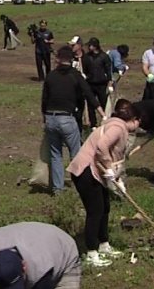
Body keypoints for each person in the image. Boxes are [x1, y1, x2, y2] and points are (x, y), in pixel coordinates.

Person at [68, 100, 140, 267]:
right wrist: (108, 169)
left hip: (96, 173)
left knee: (105, 207)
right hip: (85, 172)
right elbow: (101, 147)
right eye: (138, 121)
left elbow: (114, 158)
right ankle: (92, 253)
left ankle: (104, 244)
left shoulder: (115, 125)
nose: (138, 125)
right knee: (95, 211)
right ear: (134, 119)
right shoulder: (118, 127)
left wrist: (117, 179)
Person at [42, 46, 102, 193]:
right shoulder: (75, 75)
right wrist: (101, 112)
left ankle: (58, 189)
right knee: (76, 154)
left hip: (51, 117)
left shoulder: (51, 76)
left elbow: (44, 99)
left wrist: (44, 118)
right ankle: (80, 185)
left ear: (57, 59)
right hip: (67, 119)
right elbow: (88, 93)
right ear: (71, 59)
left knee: (56, 155)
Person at [80, 38, 113, 127]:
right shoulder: (87, 57)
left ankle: (106, 121)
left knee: (103, 103)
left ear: (95, 46)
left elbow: (108, 69)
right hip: (90, 83)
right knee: (91, 104)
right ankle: (93, 124)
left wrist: (110, 82)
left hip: (101, 84)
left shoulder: (104, 56)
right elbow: (84, 69)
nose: (88, 47)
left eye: (90, 45)